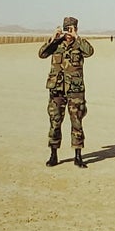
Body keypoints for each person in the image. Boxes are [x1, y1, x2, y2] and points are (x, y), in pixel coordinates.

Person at [39, 16, 95, 167]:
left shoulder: (79, 44)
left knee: (77, 122)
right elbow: (42, 54)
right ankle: (53, 155)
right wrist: (53, 38)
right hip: (57, 91)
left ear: (76, 29)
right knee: (55, 122)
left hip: (75, 91)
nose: (68, 32)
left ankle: (78, 156)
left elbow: (90, 52)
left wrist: (77, 37)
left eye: (71, 29)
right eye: (67, 29)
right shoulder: (56, 44)